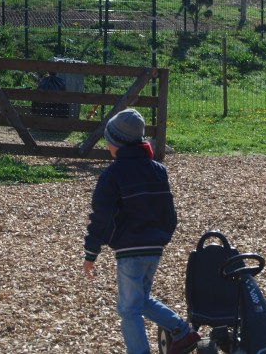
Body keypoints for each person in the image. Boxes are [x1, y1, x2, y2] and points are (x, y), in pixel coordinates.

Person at [82, 108, 200, 354]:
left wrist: (91, 251)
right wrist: (161, 236)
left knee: (128, 309)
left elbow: (101, 215)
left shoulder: (113, 174)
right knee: (140, 298)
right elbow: (169, 213)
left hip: (130, 248)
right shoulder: (157, 169)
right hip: (154, 247)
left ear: (115, 143)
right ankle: (181, 331)